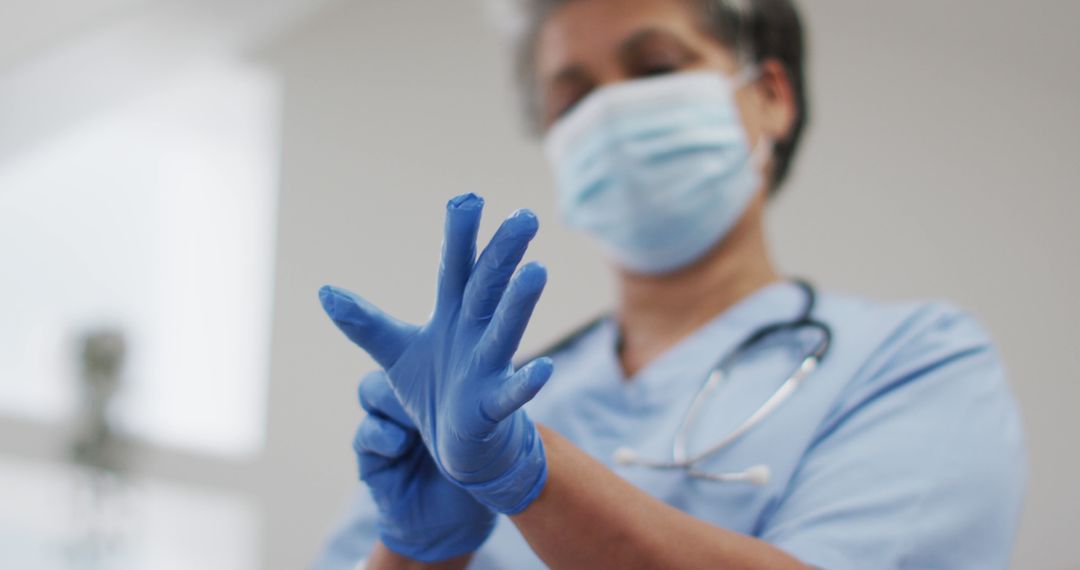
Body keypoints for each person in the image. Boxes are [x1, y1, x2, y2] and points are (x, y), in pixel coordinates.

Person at [315, 0, 1026, 568]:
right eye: (573, 100)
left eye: (655, 69)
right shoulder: (481, 403)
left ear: (769, 96)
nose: (611, 116)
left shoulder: (913, 359)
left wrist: (534, 480)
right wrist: (416, 557)